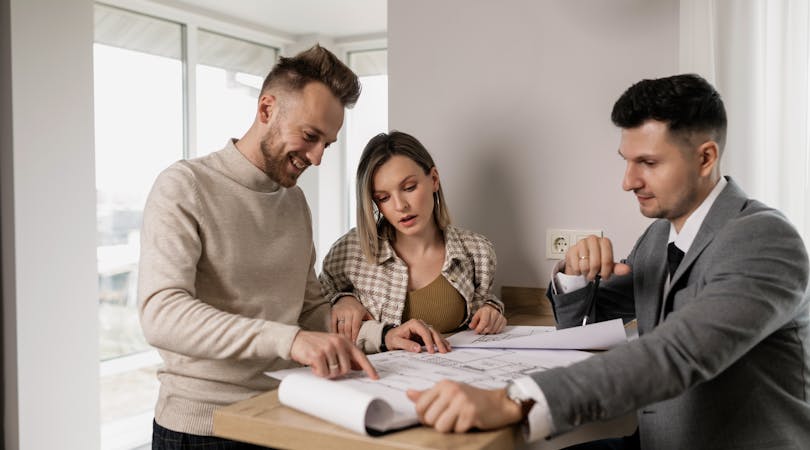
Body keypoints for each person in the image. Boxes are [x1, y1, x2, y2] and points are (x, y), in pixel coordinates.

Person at [406, 74, 810, 449]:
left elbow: (677, 353)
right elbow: (585, 327)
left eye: (648, 163)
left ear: (706, 158)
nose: (628, 181)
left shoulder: (764, 240)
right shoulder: (658, 237)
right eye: (627, 161)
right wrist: (573, 275)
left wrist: (517, 400)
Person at [138, 45, 383, 449]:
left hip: (283, 412)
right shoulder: (184, 186)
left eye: (327, 144)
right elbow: (161, 313)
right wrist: (289, 340)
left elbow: (308, 309)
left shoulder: (294, 202)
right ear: (267, 109)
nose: (317, 158)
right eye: (310, 136)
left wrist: (383, 335)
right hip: (203, 428)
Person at [319, 131, 507, 353]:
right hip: (375, 380)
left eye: (409, 188)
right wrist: (340, 300)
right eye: (383, 197)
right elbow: (314, 318)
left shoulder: (478, 252)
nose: (400, 206)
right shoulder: (348, 252)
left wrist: (492, 311)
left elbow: (483, 303)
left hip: (449, 380)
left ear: (434, 180)